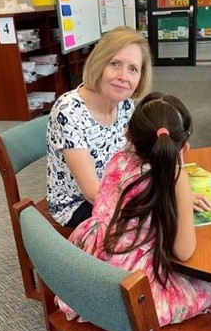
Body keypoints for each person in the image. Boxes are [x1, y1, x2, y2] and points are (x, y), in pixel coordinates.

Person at [56, 92, 211, 327]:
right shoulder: (174, 180)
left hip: (96, 262)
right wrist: (184, 196)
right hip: (130, 289)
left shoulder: (119, 160)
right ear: (184, 148)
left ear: (127, 134)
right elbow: (184, 251)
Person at [47, 26, 153, 228]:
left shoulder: (125, 104)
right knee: (153, 226)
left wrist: (172, 193)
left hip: (117, 188)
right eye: (115, 64)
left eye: (133, 69)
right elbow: (93, 193)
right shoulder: (69, 111)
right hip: (77, 205)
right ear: (99, 64)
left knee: (166, 217)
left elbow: (140, 155)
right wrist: (158, 203)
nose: (124, 76)